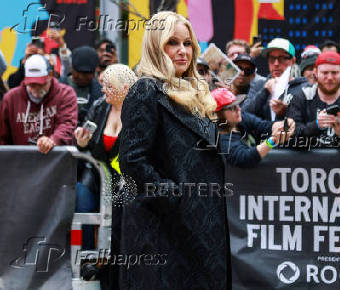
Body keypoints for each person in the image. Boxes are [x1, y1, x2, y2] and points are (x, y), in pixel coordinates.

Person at [117, 11, 229, 289]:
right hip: (164, 227)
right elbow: (131, 158)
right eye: (173, 43)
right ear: (156, 46)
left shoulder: (196, 90)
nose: (183, 51)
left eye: (188, 43)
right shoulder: (145, 90)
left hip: (202, 222)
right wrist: (170, 194)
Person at [74, 64, 137, 281]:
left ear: (125, 88)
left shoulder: (139, 111)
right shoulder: (100, 106)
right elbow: (87, 141)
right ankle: (88, 262)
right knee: (82, 205)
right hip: (97, 174)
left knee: (121, 225)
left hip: (128, 180)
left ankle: (119, 270)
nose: (102, 91)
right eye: (102, 85)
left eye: (108, 86)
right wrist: (81, 142)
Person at [286, 51, 340, 151]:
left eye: (334, 73)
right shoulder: (301, 98)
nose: (329, 78)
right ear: (315, 73)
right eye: (325, 73)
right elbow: (289, 138)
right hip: (307, 165)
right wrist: (315, 126)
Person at [0, 54, 77, 153]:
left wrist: (53, 140)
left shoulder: (65, 94)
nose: (36, 89)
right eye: (31, 84)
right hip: (20, 162)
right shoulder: (11, 99)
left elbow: (67, 124)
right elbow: (2, 137)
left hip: (54, 161)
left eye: (41, 84)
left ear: (50, 75)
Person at [213, 88, 294, 168]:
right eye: (232, 108)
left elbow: (264, 126)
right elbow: (245, 158)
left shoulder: (241, 118)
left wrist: (285, 124)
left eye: (237, 104)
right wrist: (272, 141)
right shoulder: (221, 138)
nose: (239, 109)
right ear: (218, 115)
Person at [244, 38, 307, 121]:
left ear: (292, 61)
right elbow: (244, 115)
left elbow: (309, 119)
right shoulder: (260, 85)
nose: (276, 64)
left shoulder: (304, 87)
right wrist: (264, 92)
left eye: (281, 58)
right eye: (272, 59)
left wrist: (286, 112)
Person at [60, 46, 103, 124]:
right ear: (71, 68)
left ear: (95, 72)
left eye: (87, 73)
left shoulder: (101, 93)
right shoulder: (58, 89)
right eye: (79, 72)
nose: (82, 77)